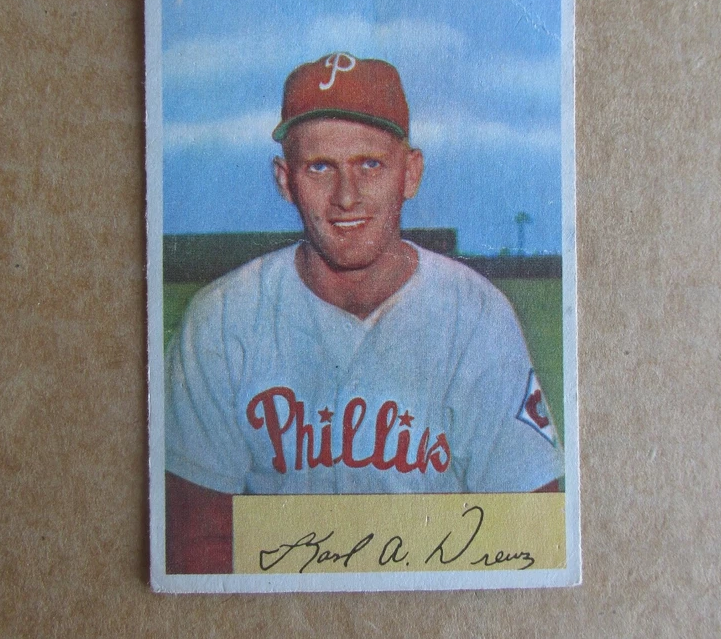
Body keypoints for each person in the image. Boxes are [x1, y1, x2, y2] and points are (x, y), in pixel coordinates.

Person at [164, 53, 564, 573]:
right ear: (285, 181)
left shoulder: (478, 317)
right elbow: (192, 545)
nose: (346, 197)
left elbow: (530, 535)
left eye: (370, 165)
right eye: (320, 168)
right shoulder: (220, 320)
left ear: (410, 173)